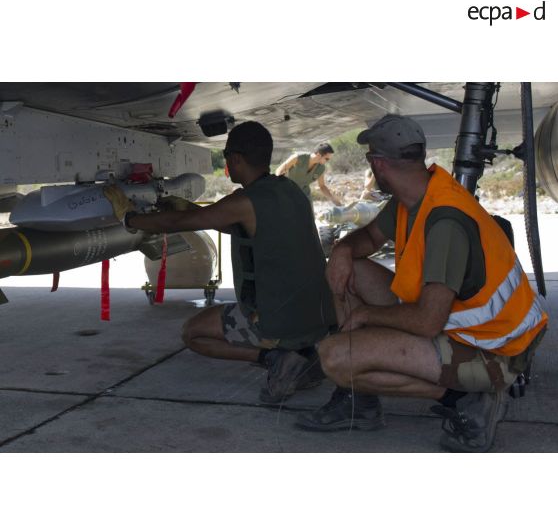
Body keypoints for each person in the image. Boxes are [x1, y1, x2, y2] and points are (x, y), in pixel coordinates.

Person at [296, 114, 548, 452]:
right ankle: (362, 403)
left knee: (337, 359)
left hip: (497, 351)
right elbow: (370, 237)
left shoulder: (444, 220)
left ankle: (467, 399)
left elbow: (428, 322)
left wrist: (368, 317)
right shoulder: (415, 197)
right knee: (350, 269)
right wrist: (341, 251)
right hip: (464, 329)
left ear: (377, 163)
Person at [104, 121, 337, 404]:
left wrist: (130, 218)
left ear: (235, 159)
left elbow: (182, 223)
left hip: (278, 321)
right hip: (318, 316)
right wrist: (190, 208)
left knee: (193, 334)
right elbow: (242, 226)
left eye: (227, 157)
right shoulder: (290, 191)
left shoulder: (245, 201)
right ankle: (306, 357)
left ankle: (276, 357)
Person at [276, 142, 343, 207]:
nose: (327, 161)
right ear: (319, 155)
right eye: (327, 159)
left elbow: (322, 186)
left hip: (305, 196)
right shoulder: (298, 158)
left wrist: (333, 199)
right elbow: (279, 171)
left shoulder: (321, 168)